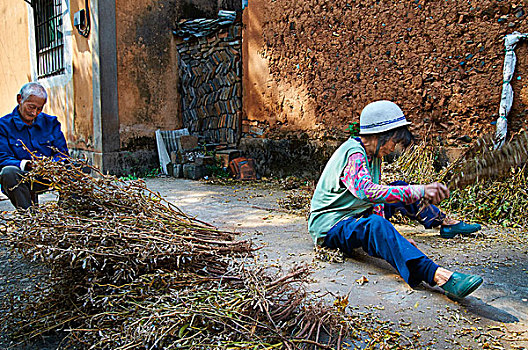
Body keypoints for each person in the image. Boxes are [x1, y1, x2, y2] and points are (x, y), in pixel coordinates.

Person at [308, 100, 482, 299]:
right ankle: (437, 275)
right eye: (394, 140)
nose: (394, 147)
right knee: (375, 225)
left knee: (399, 189)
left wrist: (393, 239)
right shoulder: (354, 154)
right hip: (331, 226)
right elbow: (367, 192)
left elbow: (377, 201)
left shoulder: (373, 155)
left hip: (355, 213)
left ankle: (445, 223)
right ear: (379, 135)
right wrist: (421, 191)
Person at [0, 82, 69, 209]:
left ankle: (66, 213)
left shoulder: (51, 123)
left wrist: (51, 164)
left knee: (77, 166)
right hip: (22, 178)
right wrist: (26, 164)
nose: (34, 113)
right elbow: (3, 158)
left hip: (49, 174)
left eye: (39, 109)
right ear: (20, 99)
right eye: (31, 107)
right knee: (8, 172)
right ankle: (30, 218)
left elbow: (63, 154)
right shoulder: (3, 126)